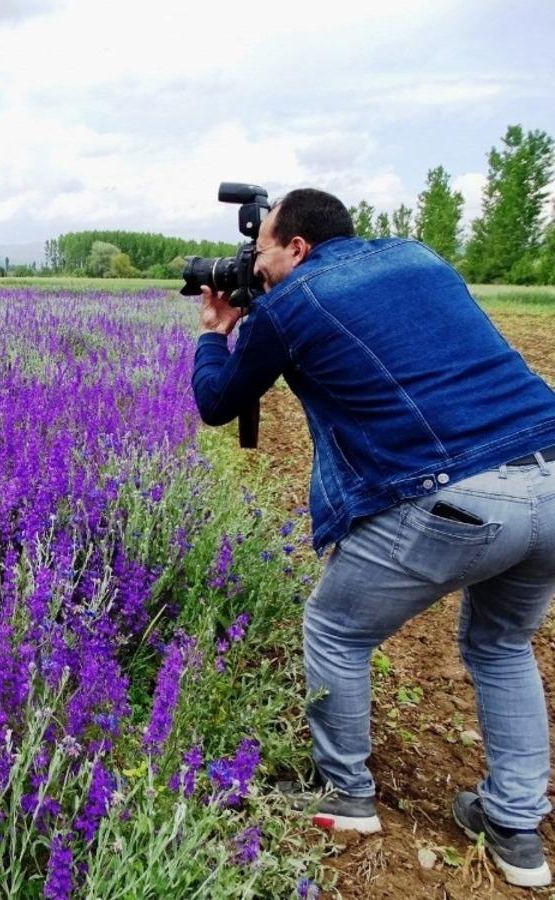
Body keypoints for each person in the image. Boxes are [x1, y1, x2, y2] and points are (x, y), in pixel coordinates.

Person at [192, 188, 555, 888]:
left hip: (457, 494)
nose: (255, 267)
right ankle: (515, 827)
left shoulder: (293, 304)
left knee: (334, 629)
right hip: (553, 472)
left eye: (261, 252)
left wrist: (216, 330)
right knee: (503, 644)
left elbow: (217, 403)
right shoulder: (419, 257)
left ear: (296, 247)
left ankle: (346, 797)